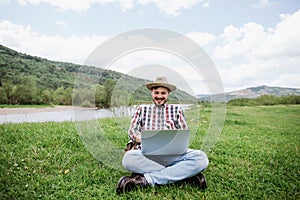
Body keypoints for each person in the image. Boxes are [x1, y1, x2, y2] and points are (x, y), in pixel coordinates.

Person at [116, 76, 209, 194]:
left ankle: (146, 180)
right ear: (151, 92)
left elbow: (184, 132)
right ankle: (184, 174)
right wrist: (147, 138)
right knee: (128, 159)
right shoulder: (141, 109)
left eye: (163, 93)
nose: (159, 96)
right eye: (156, 92)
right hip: (146, 155)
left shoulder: (176, 110)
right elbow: (132, 132)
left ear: (168, 93)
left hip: (172, 155)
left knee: (201, 158)